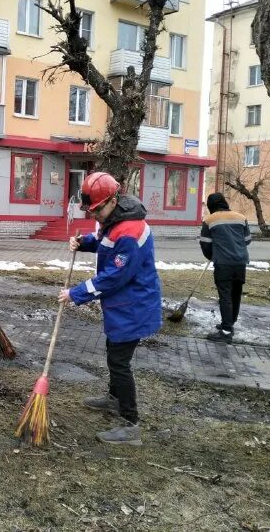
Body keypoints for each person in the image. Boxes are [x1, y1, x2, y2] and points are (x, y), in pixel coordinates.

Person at [58, 172, 161, 446]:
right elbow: (103, 240)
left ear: (113, 199)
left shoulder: (130, 230)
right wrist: (84, 243)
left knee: (119, 361)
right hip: (123, 306)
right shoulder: (115, 219)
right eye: (92, 211)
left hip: (135, 306)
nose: (96, 216)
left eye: (98, 210)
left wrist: (76, 293)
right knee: (113, 352)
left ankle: (130, 424)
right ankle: (115, 399)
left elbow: (115, 276)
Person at [200, 192, 252, 343]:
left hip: (223, 264)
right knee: (236, 294)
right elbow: (247, 240)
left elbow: (205, 244)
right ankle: (229, 323)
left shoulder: (209, 220)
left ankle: (226, 332)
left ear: (211, 206)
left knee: (225, 296)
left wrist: (212, 255)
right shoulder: (241, 218)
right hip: (240, 262)